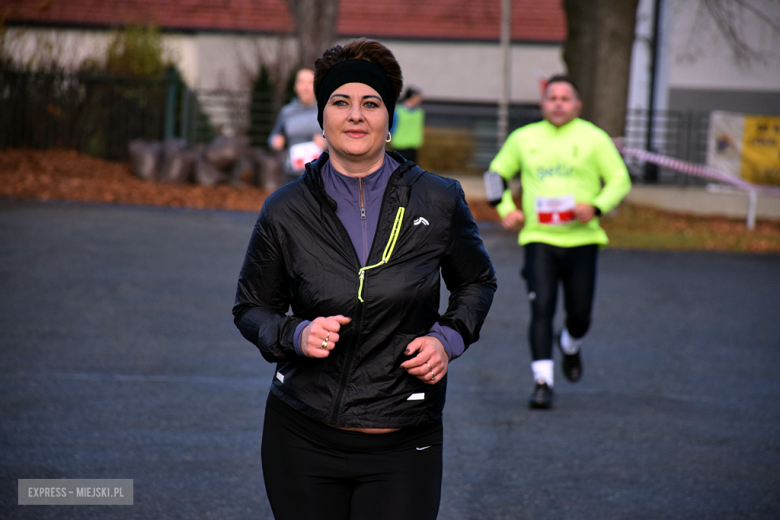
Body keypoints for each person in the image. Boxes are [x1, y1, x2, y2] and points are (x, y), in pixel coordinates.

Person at [233, 38, 496, 520]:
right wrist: (295, 332)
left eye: (370, 103)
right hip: (301, 438)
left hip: (403, 440)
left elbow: (477, 282)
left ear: (388, 118)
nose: (356, 115)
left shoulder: (438, 200)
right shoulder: (285, 209)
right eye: (341, 102)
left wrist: (448, 338)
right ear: (322, 117)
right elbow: (251, 308)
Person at [484, 75, 631, 410]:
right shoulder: (524, 138)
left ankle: (570, 344)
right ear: (543, 104)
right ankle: (542, 382)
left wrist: (596, 206)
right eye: (553, 98)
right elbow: (495, 175)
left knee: (579, 316)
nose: (559, 103)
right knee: (542, 308)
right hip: (539, 240)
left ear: (577, 105)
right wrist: (506, 209)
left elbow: (620, 179)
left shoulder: (594, 138)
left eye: (566, 98)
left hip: (583, 240)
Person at [268, 68, 327, 184]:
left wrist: (327, 143)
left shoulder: (325, 111)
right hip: (291, 174)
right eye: (301, 82)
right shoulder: (287, 112)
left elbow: (340, 138)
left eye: (310, 83)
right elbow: (273, 136)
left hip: (320, 174)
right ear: (296, 86)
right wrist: (275, 141)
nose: (305, 87)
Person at [390, 87, 425, 163]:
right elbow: (392, 126)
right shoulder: (398, 111)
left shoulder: (419, 112)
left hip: (413, 145)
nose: (420, 99)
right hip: (399, 144)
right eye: (418, 97)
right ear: (412, 97)